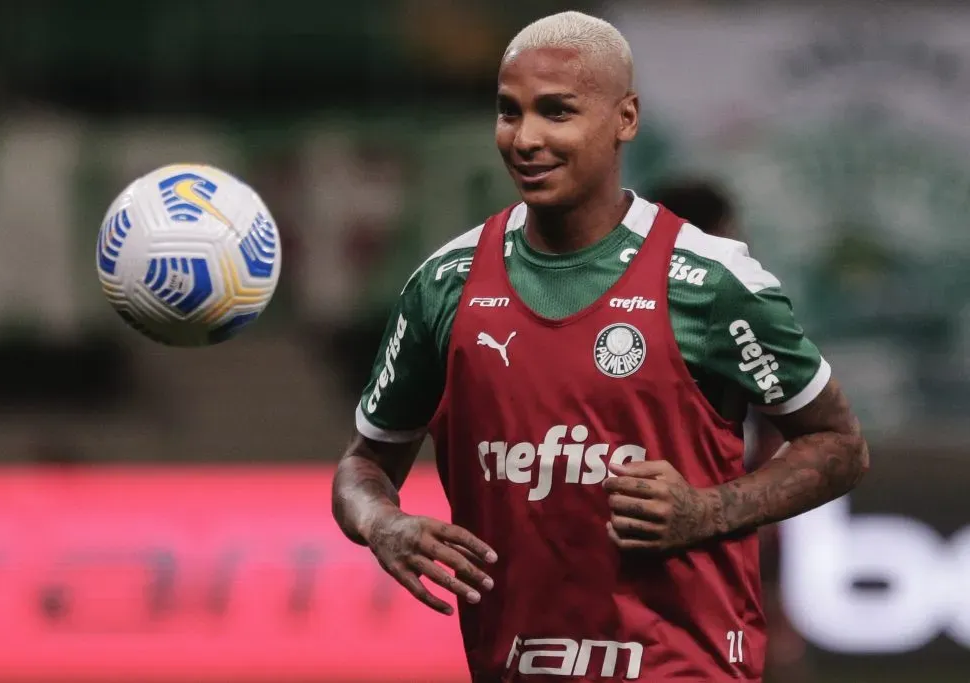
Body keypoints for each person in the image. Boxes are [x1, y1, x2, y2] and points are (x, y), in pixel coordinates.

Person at [332, 11, 869, 682]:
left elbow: (840, 445)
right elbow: (363, 466)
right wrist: (383, 523)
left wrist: (710, 508)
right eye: (509, 112)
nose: (525, 138)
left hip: (685, 665)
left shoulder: (712, 282)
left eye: (557, 112)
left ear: (626, 118)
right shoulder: (444, 285)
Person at [648, 177, 811, 683]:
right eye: (732, 231)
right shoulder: (718, 307)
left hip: (726, 519)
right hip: (691, 524)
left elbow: (792, 430)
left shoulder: (741, 310)